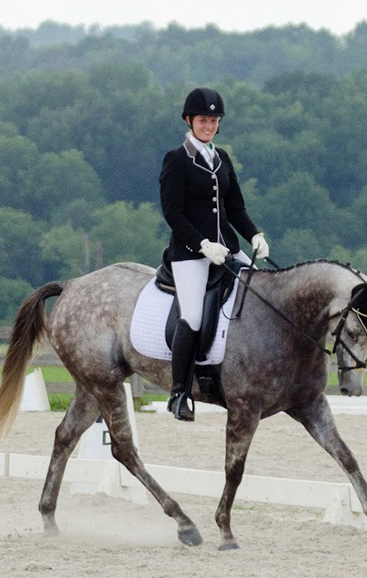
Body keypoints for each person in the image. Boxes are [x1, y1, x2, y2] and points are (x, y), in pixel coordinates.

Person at [157, 86, 270, 422]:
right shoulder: (177, 160)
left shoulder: (221, 159)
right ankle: (179, 394)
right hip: (191, 255)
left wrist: (254, 234)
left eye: (214, 120)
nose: (208, 125)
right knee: (191, 315)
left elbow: (235, 207)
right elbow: (172, 212)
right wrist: (202, 244)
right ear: (190, 120)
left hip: (227, 252)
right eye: (203, 119)